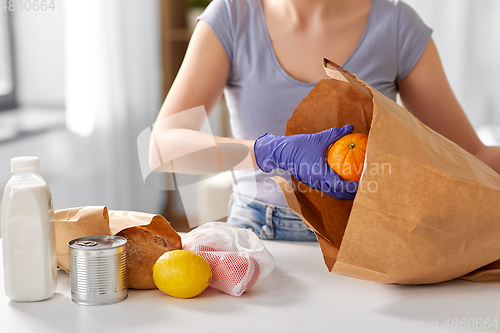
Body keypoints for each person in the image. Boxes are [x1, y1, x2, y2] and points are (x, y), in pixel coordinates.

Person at [149, 0, 500, 241]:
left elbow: (470, 156)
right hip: (259, 233)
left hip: (369, 235)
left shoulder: (394, 26)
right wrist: (269, 151)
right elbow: (162, 149)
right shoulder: (231, 16)